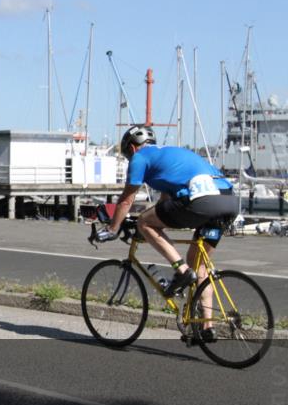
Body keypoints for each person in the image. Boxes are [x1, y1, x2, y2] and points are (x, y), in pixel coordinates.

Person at [95, 126, 239, 329]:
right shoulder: (170, 154)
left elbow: (127, 199)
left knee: (144, 222)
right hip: (229, 200)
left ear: (133, 148)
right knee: (199, 266)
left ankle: (181, 271)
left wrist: (112, 229)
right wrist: (154, 229)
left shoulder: (140, 158)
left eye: (127, 154)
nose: (129, 159)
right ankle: (207, 327)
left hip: (202, 202)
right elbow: (165, 206)